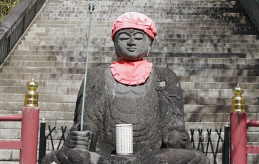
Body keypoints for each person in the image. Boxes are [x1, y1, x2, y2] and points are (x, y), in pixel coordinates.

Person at [42, 12, 207, 164]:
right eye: (124, 37)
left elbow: (173, 124)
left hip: (151, 157)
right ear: (114, 42)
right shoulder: (97, 75)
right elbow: (86, 123)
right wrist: (80, 136)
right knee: (63, 158)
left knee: (193, 159)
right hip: (105, 156)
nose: (131, 42)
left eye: (138, 37)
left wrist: (176, 136)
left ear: (150, 41)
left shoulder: (165, 77)